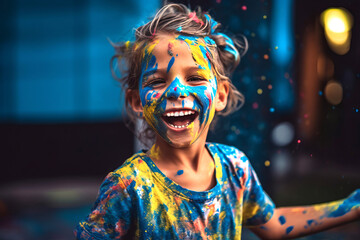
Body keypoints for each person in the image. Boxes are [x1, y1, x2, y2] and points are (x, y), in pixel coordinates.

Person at [75, 3, 360, 239]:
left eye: (195, 78)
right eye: (158, 81)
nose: (176, 91)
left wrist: (351, 207)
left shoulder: (235, 168)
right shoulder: (128, 186)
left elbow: (272, 223)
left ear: (221, 94)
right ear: (137, 101)